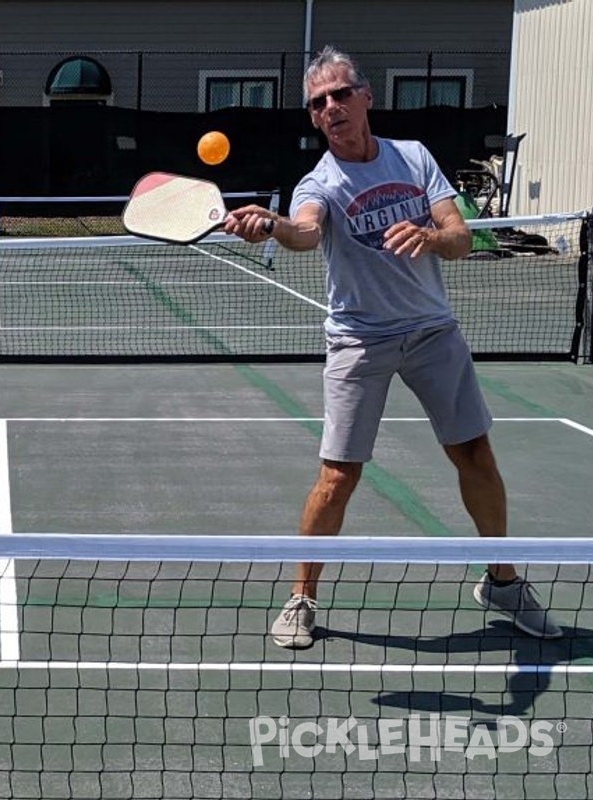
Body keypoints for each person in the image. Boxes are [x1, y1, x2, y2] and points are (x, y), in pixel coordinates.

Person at [224, 46, 562, 649]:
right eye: (318, 102)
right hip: (360, 339)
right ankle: (302, 596)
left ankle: (503, 583)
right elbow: (304, 233)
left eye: (341, 94)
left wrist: (431, 236)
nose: (331, 107)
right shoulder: (319, 182)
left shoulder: (413, 157)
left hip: (433, 331)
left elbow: (460, 239)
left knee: (476, 457)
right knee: (338, 475)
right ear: (313, 117)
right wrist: (271, 225)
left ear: (366, 98)